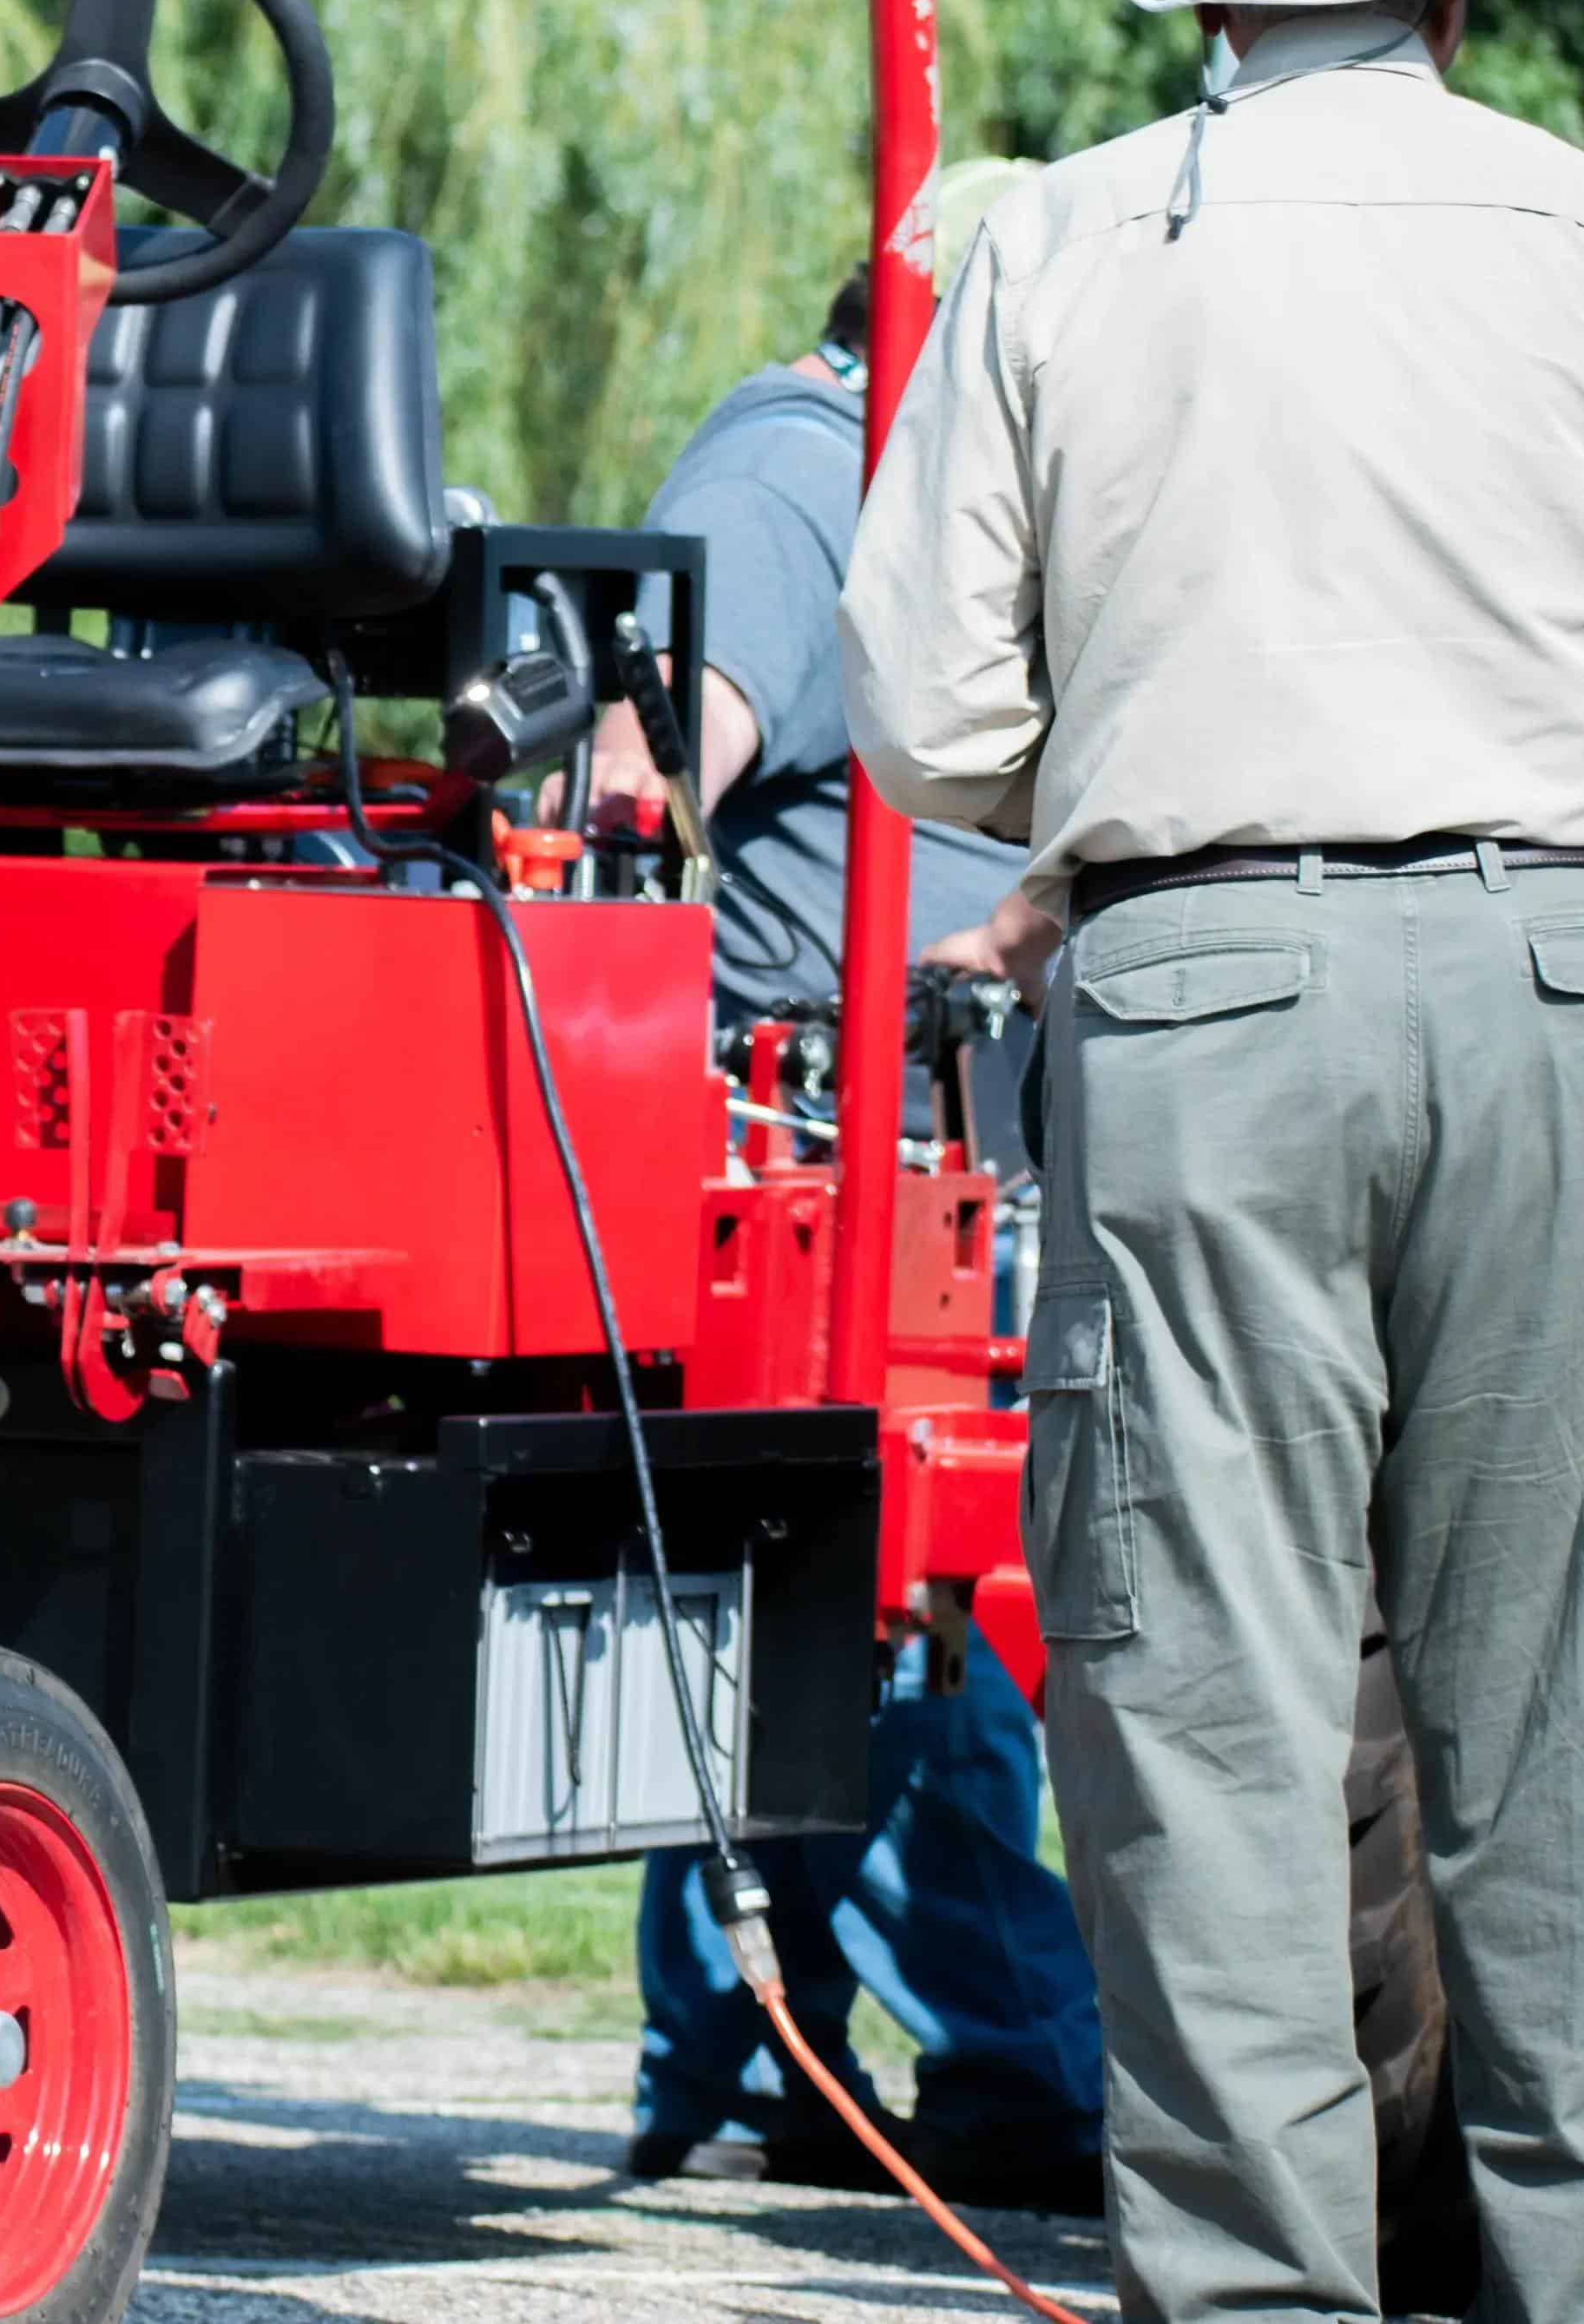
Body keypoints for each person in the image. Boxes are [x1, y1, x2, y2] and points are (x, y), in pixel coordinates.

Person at [842, 0, 1584, 2321]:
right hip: (1574, 974)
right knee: (1567, 1723)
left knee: (1218, 1728)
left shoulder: (1062, 238)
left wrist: (1159, 747)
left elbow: (925, 712)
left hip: (1208, 979)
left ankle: (1257, 2302)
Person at [587, 169, 1108, 2217]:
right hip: (832, 1134)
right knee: (896, 1625)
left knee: (807, 1609)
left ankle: (747, 2033)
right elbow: (640, 790)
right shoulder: (800, 487)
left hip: (894, 1117)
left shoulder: (869, 486)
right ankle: (1021, 2055)